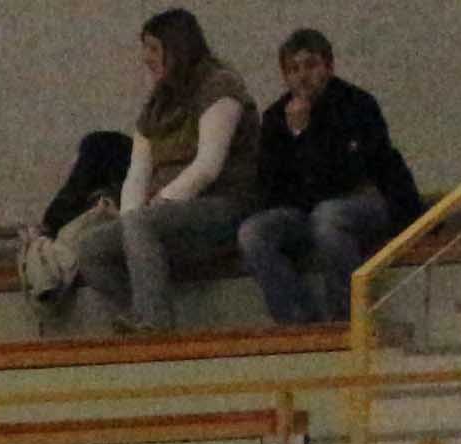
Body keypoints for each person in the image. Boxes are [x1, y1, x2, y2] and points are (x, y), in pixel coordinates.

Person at [53, 10, 261, 334]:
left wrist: (157, 205)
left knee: (141, 223)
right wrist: (130, 219)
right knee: (91, 248)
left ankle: (155, 323)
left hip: (222, 206)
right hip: (166, 216)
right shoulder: (156, 104)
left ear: (177, 47)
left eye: (152, 48)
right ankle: (137, 311)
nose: (145, 58)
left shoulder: (219, 86)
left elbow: (207, 167)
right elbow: (137, 172)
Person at [240, 28, 424, 325]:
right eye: (293, 69)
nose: (303, 76)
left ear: (329, 67)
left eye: (311, 65)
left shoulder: (356, 105)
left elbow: (345, 176)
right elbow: (270, 187)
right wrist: (294, 134)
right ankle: (297, 319)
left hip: (362, 201)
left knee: (328, 217)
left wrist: (304, 135)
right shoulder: (276, 118)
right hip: (303, 209)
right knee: (254, 232)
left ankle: (347, 317)